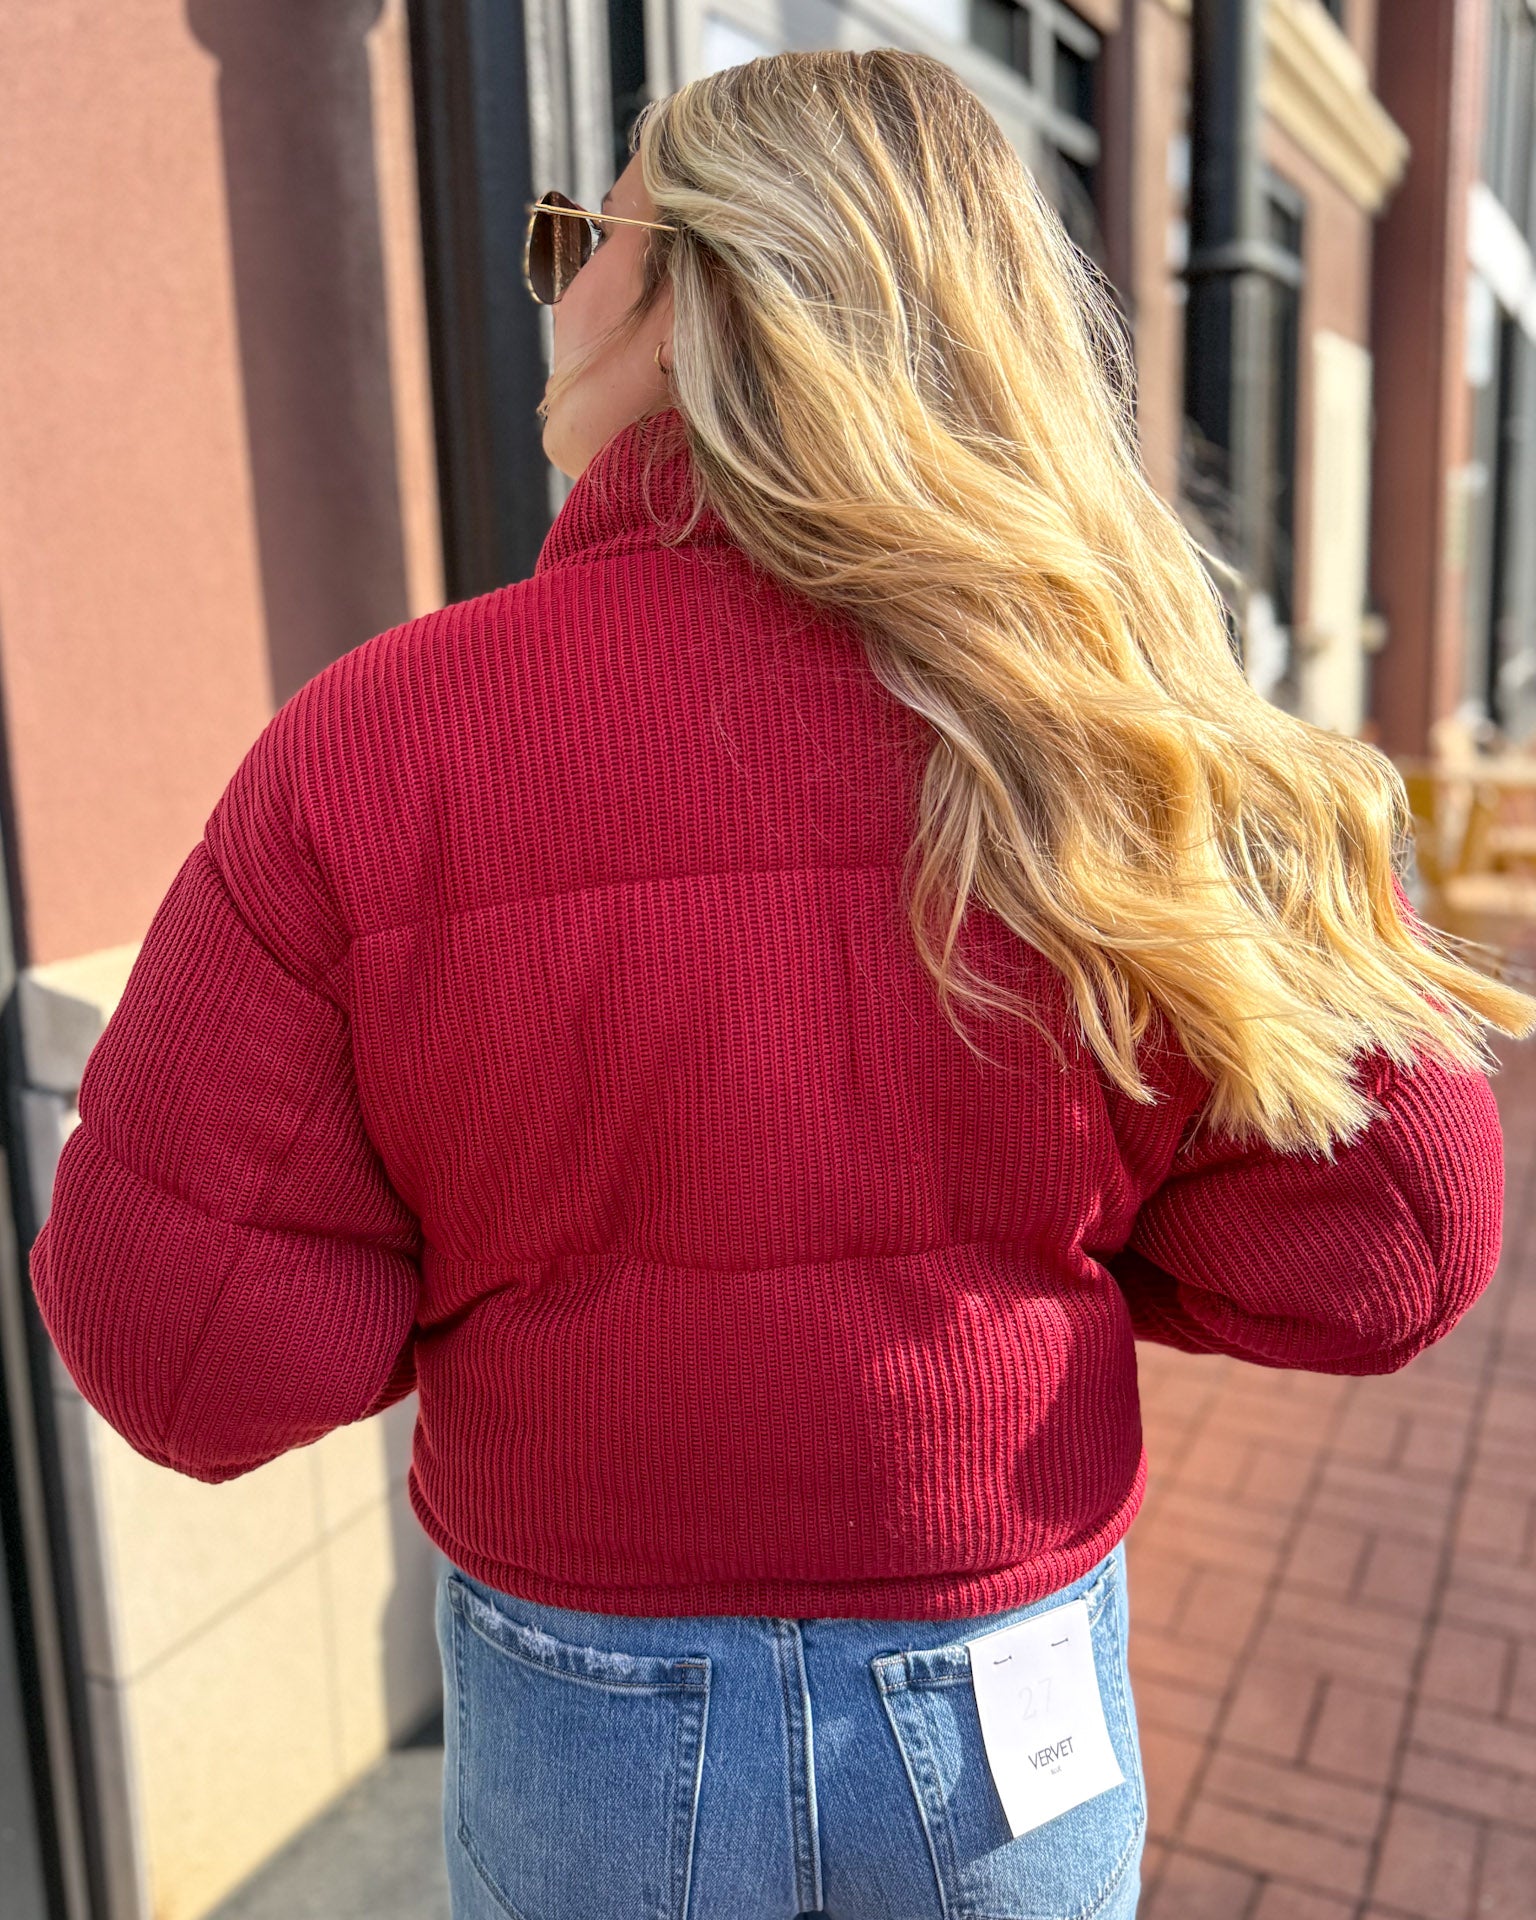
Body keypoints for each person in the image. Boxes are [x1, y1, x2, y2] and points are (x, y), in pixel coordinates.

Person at [29, 46, 1533, 1920]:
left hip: (587, 1695)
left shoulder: (380, 744)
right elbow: (1393, 1232)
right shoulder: (1127, 726)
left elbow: (181, 1341)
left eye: (584, 237)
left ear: (693, 300)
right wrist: (1036, 1246)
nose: (555, 285)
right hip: (1010, 1679)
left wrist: (474, 1252)